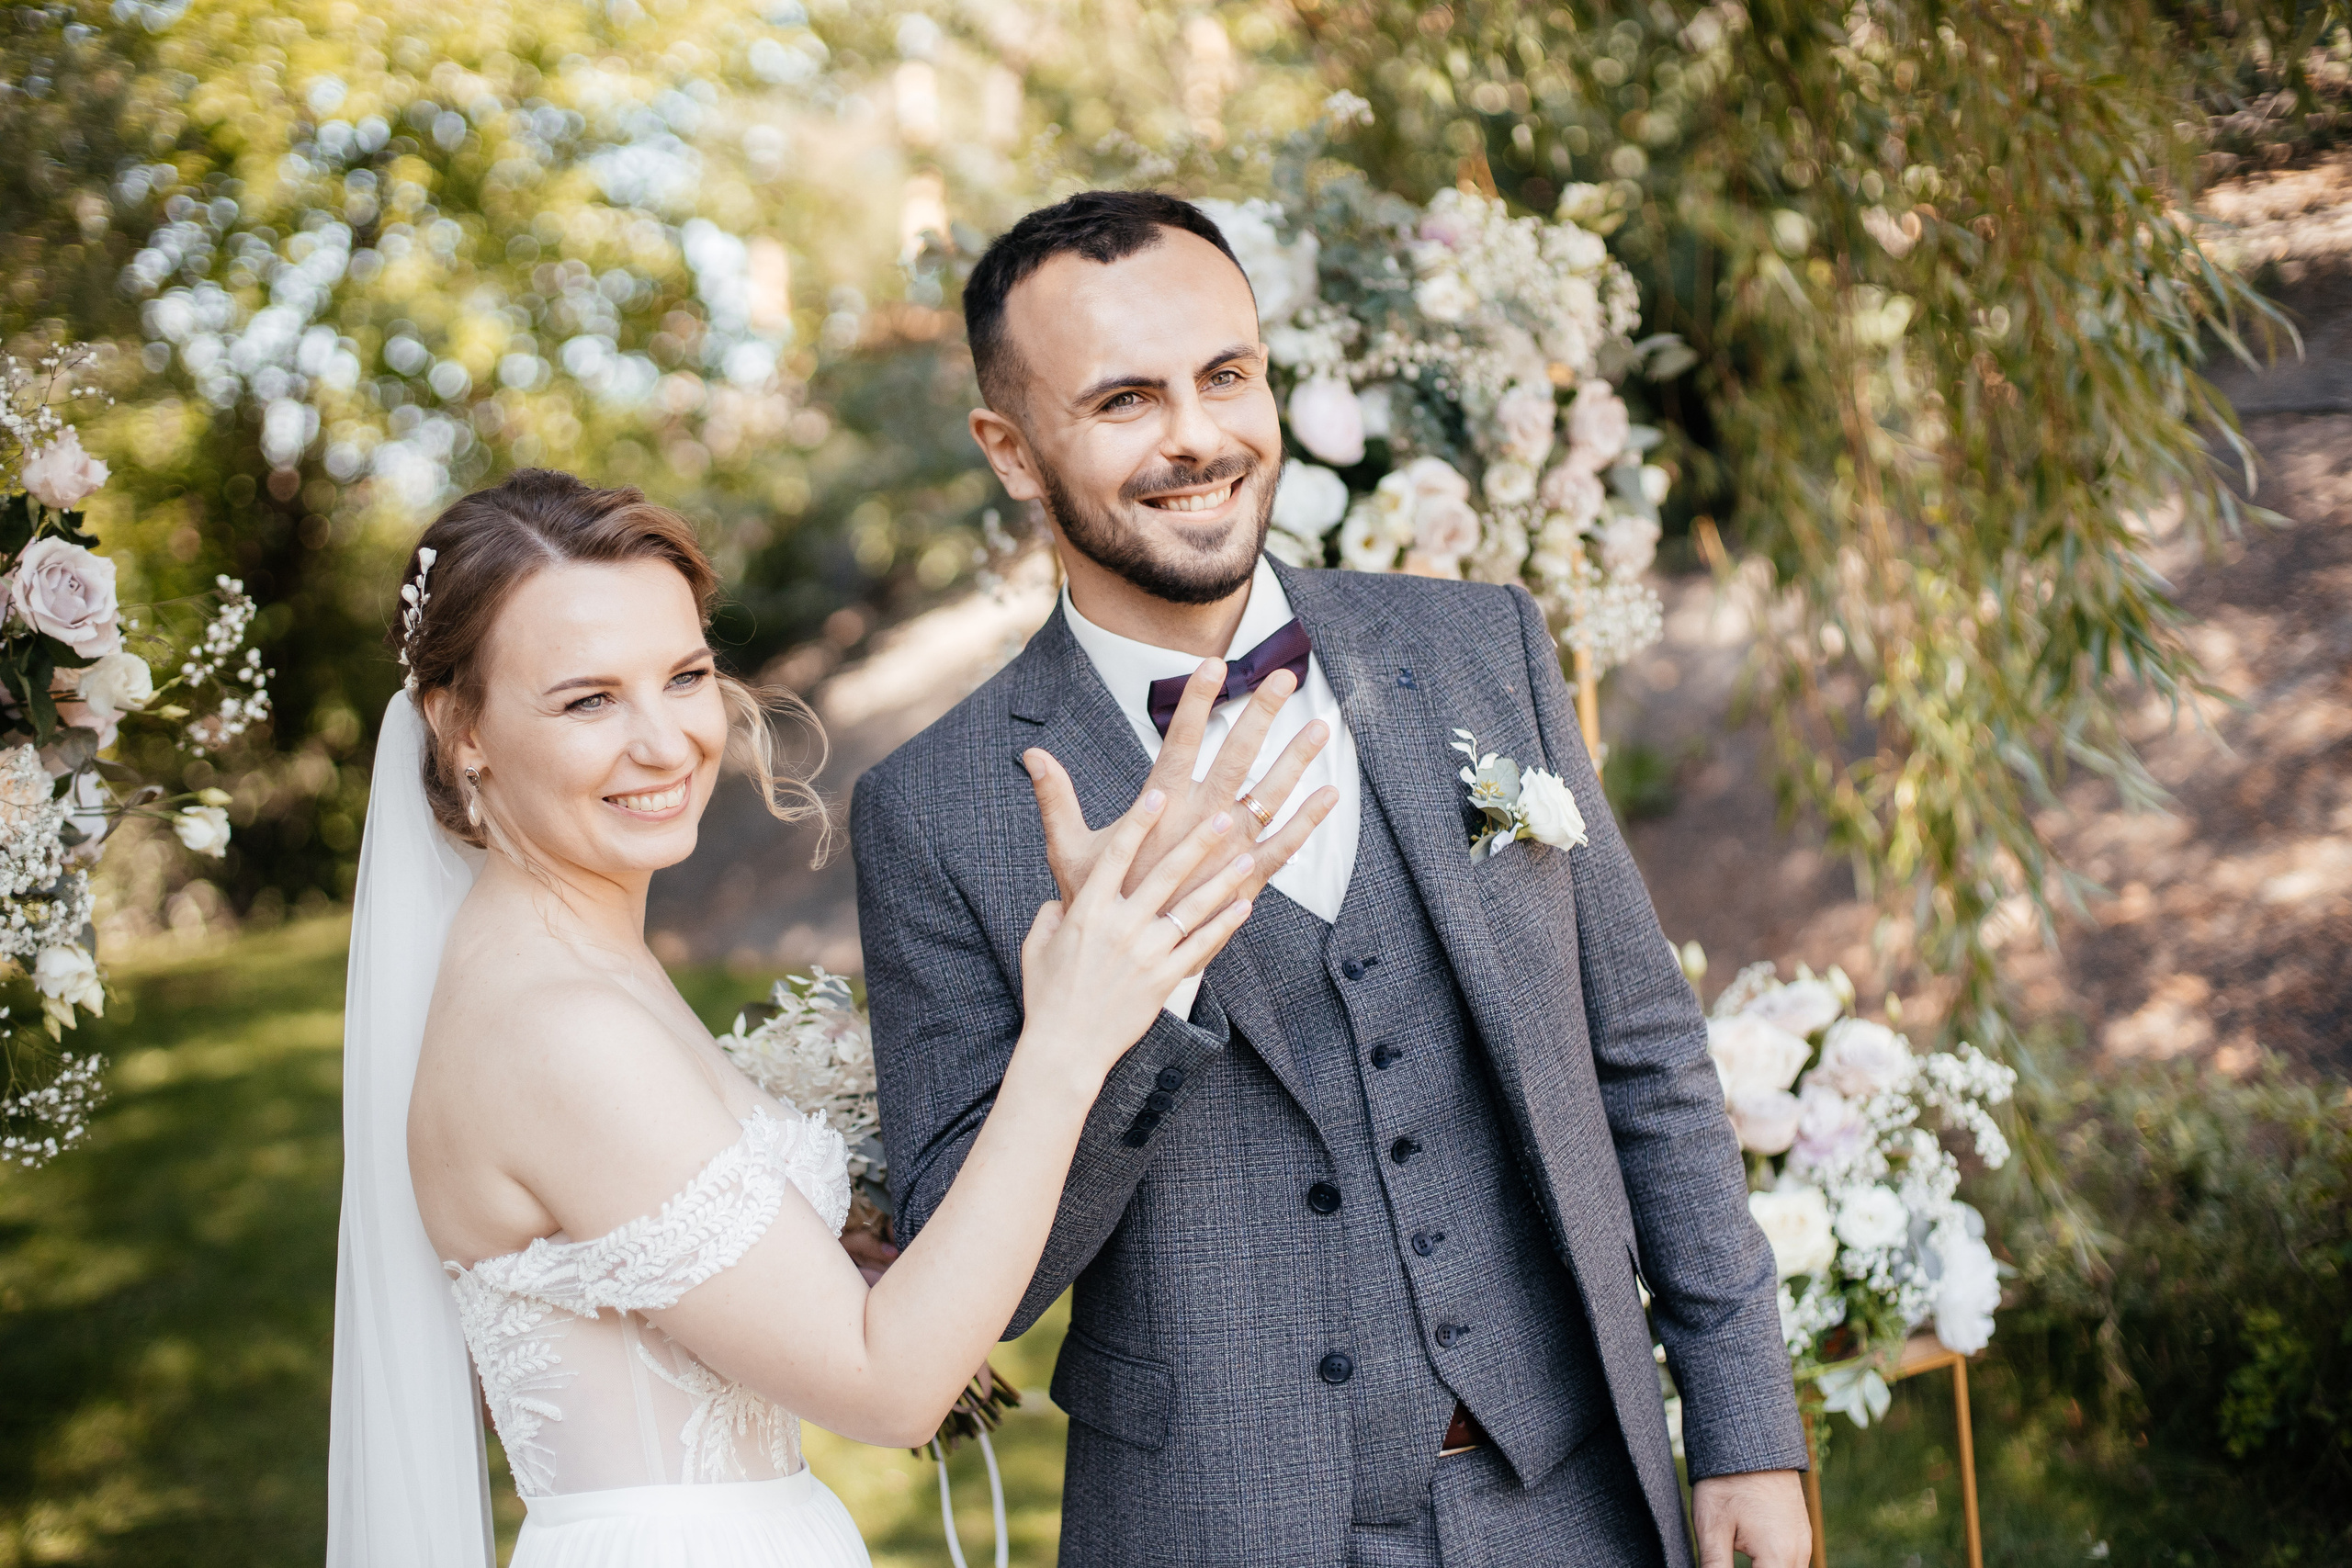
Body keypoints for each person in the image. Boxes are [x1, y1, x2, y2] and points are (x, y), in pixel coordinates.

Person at [853, 190, 1815, 1566]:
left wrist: (1744, 1429)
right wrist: (1136, 989)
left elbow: (1646, 1052)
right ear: (1012, 450)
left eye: (1227, 375)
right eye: (1125, 398)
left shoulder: (1480, 647)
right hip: (1219, 1525)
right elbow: (975, 1278)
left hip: (1575, 1497)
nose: (1198, 435)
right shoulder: (938, 809)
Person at [325, 468, 1334, 1566]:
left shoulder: (561, 963)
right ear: (458, 728)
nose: (665, 743)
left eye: (684, 675)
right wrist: (1072, 1033)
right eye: (588, 700)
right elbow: (890, 1389)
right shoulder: (557, 1027)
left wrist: (825, 1253)